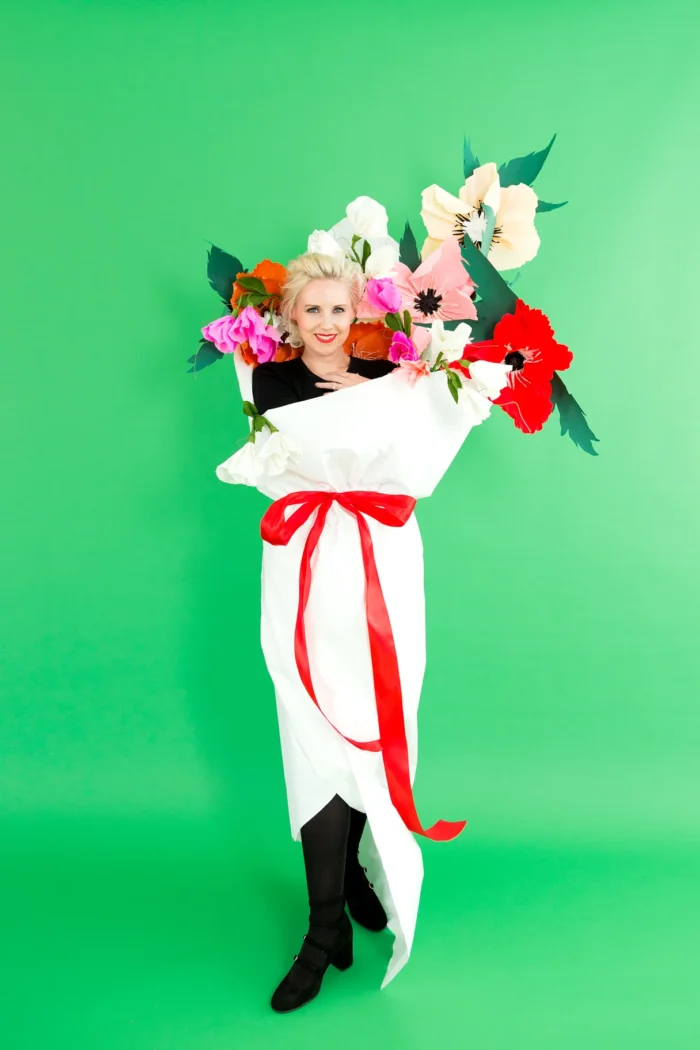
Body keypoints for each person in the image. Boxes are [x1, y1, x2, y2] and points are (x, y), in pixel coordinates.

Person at [252, 253, 398, 1013]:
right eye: (312, 311)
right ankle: (323, 925)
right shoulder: (269, 383)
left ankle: (355, 875)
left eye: (340, 310)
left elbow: (408, 447)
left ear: (357, 317)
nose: (328, 324)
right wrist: (357, 403)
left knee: (368, 719)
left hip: (375, 566)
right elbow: (297, 448)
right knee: (313, 726)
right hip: (306, 563)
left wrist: (377, 393)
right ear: (290, 321)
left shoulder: (387, 382)